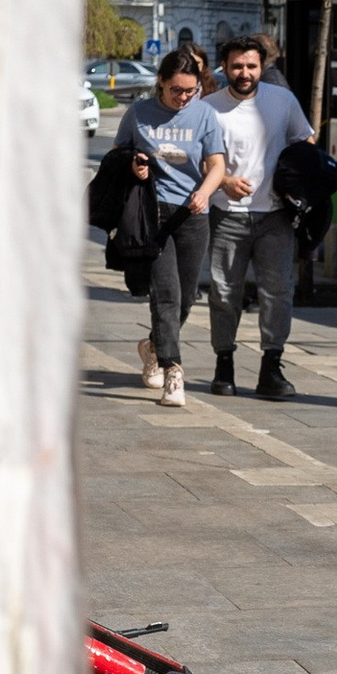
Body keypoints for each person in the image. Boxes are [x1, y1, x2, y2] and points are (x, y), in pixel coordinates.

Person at [203, 35, 314, 399]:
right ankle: (224, 364)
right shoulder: (208, 108)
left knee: (278, 293)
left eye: (251, 66)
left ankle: (272, 367)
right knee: (223, 293)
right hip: (227, 214)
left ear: (262, 66)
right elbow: (198, 161)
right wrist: (225, 182)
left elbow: (305, 142)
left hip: (276, 215)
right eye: (237, 66)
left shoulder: (282, 100)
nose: (245, 73)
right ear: (224, 68)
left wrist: (293, 180)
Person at [117, 48, 226, 407]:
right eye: (176, 90)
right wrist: (133, 166)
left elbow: (217, 165)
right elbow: (117, 156)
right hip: (152, 212)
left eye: (190, 90)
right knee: (166, 293)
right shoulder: (139, 113)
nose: (183, 97)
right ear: (161, 82)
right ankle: (173, 371)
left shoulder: (204, 114)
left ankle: (154, 345)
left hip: (192, 214)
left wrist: (205, 192)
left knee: (186, 297)